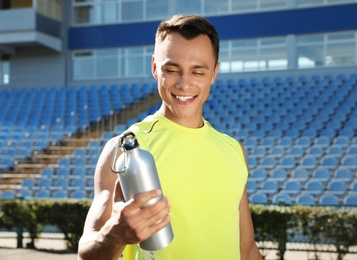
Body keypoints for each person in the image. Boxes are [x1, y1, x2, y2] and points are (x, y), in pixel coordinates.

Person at [78, 14, 263, 260]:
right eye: (172, 70)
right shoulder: (126, 149)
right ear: (155, 67)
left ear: (215, 73)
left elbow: (247, 250)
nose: (184, 84)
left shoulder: (233, 150)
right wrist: (114, 236)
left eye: (198, 72)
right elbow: (87, 252)